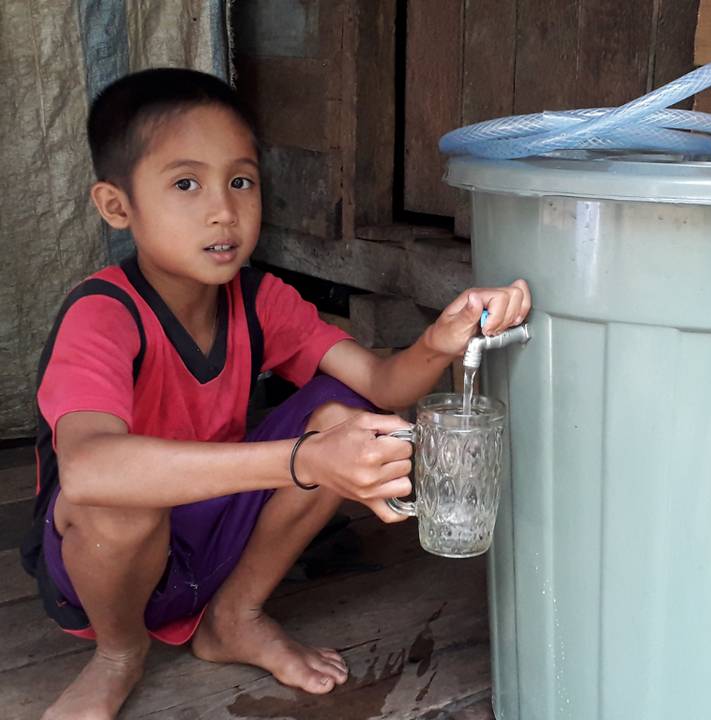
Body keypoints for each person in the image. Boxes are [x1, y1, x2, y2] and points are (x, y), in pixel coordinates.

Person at [20, 67, 531, 720]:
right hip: (100, 568)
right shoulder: (103, 313)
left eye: (241, 181)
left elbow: (381, 383)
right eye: (185, 184)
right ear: (118, 206)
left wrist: (441, 339)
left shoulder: (261, 299)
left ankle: (233, 616)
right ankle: (119, 655)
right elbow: (90, 470)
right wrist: (303, 459)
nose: (222, 210)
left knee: (352, 413)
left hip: (208, 535)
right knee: (121, 502)